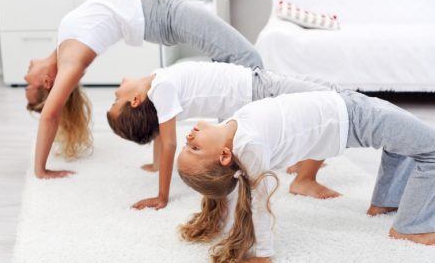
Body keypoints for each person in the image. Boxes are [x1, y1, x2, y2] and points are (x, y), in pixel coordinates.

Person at [176, 90, 435, 263]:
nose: (188, 139)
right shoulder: (250, 146)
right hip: (356, 117)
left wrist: (218, 204)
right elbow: (258, 202)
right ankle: (411, 227)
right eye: (195, 149)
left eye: (187, 147)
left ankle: (385, 203)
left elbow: (234, 185)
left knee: (404, 142)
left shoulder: (234, 132)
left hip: (347, 105)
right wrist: (263, 254)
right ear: (225, 156)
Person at [24, 0, 262, 179]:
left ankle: (229, 150)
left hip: (160, 10)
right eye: (28, 85)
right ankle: (231, 151)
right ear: (47, 82)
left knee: (230, 66)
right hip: (164, 12)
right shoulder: (71, 60)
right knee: (247, 58)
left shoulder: (64, 46)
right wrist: (40, 170)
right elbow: (50, 114)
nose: (25, 76)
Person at [107, 61, 338, 210]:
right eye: (116, 101)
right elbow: (168, 142)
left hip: (251, 85)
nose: (115, 94)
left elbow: (157, 124)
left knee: (315, 107)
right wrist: (161, 196)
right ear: (134, 100)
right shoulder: (161, 88)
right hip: (252, 89)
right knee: (328, 97)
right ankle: (304, 180)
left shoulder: (156, 81)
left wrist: (156, 164)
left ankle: (299, 165)